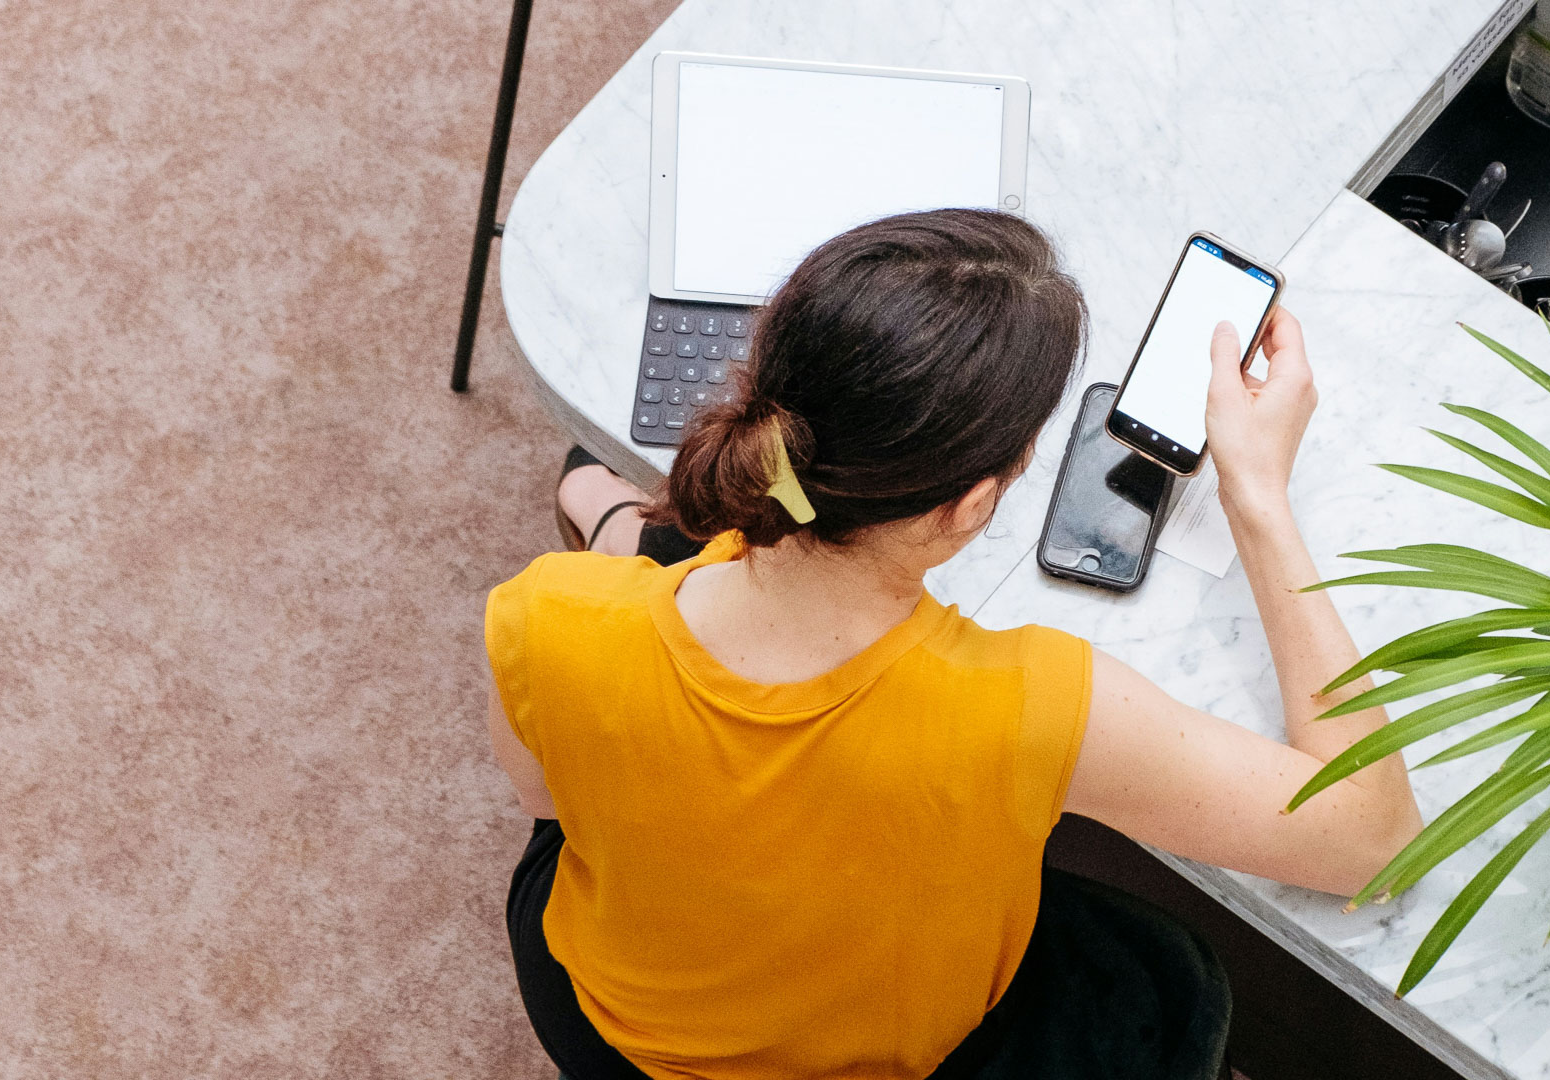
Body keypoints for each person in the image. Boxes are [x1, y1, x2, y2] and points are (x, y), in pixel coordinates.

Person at [486, 209, 1423, 1080]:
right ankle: (623, 519)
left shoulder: (540, 615)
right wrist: (1258, 496)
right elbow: (1373, 844)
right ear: (974, 505)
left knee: (663, 564)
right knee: (1161, 979)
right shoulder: (1029, 705)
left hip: (602, 1020)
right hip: (876, 1060)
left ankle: (616, 520)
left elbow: (548, 806)